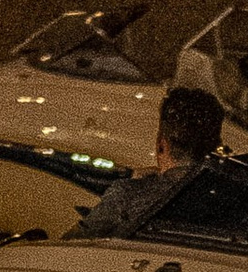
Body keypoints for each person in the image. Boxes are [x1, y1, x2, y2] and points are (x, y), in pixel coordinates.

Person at [85, 83, 225, 237]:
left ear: (161, 145)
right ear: (216, 147)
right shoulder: (229, 201)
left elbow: (72, 245)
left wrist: (135, 184)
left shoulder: (127, 197)